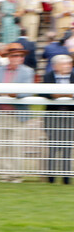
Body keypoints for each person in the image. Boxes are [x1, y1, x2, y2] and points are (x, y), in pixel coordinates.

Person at [0, 43, 35, 183]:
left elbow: (27, 91)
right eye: (14, 55)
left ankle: (16, 174)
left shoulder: (28, 72)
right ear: (8, 57)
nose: (17, 58)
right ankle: (5, 174)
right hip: (0, 113)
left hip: (17, 114)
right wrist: (8, 93)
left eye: (20, 56)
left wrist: (12, 93)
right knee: (1, 145)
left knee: (16, 144)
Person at [43, 54, 74, 184]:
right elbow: (42, 91)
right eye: (64, 64)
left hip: (70, 116)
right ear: (55, 66)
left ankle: (66, 178)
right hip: (53, 116)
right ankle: (51, 177)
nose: (67, 66)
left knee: (67, 147)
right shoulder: (49, 76)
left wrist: (60, 94)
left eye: (69, 63)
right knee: (53, 147)